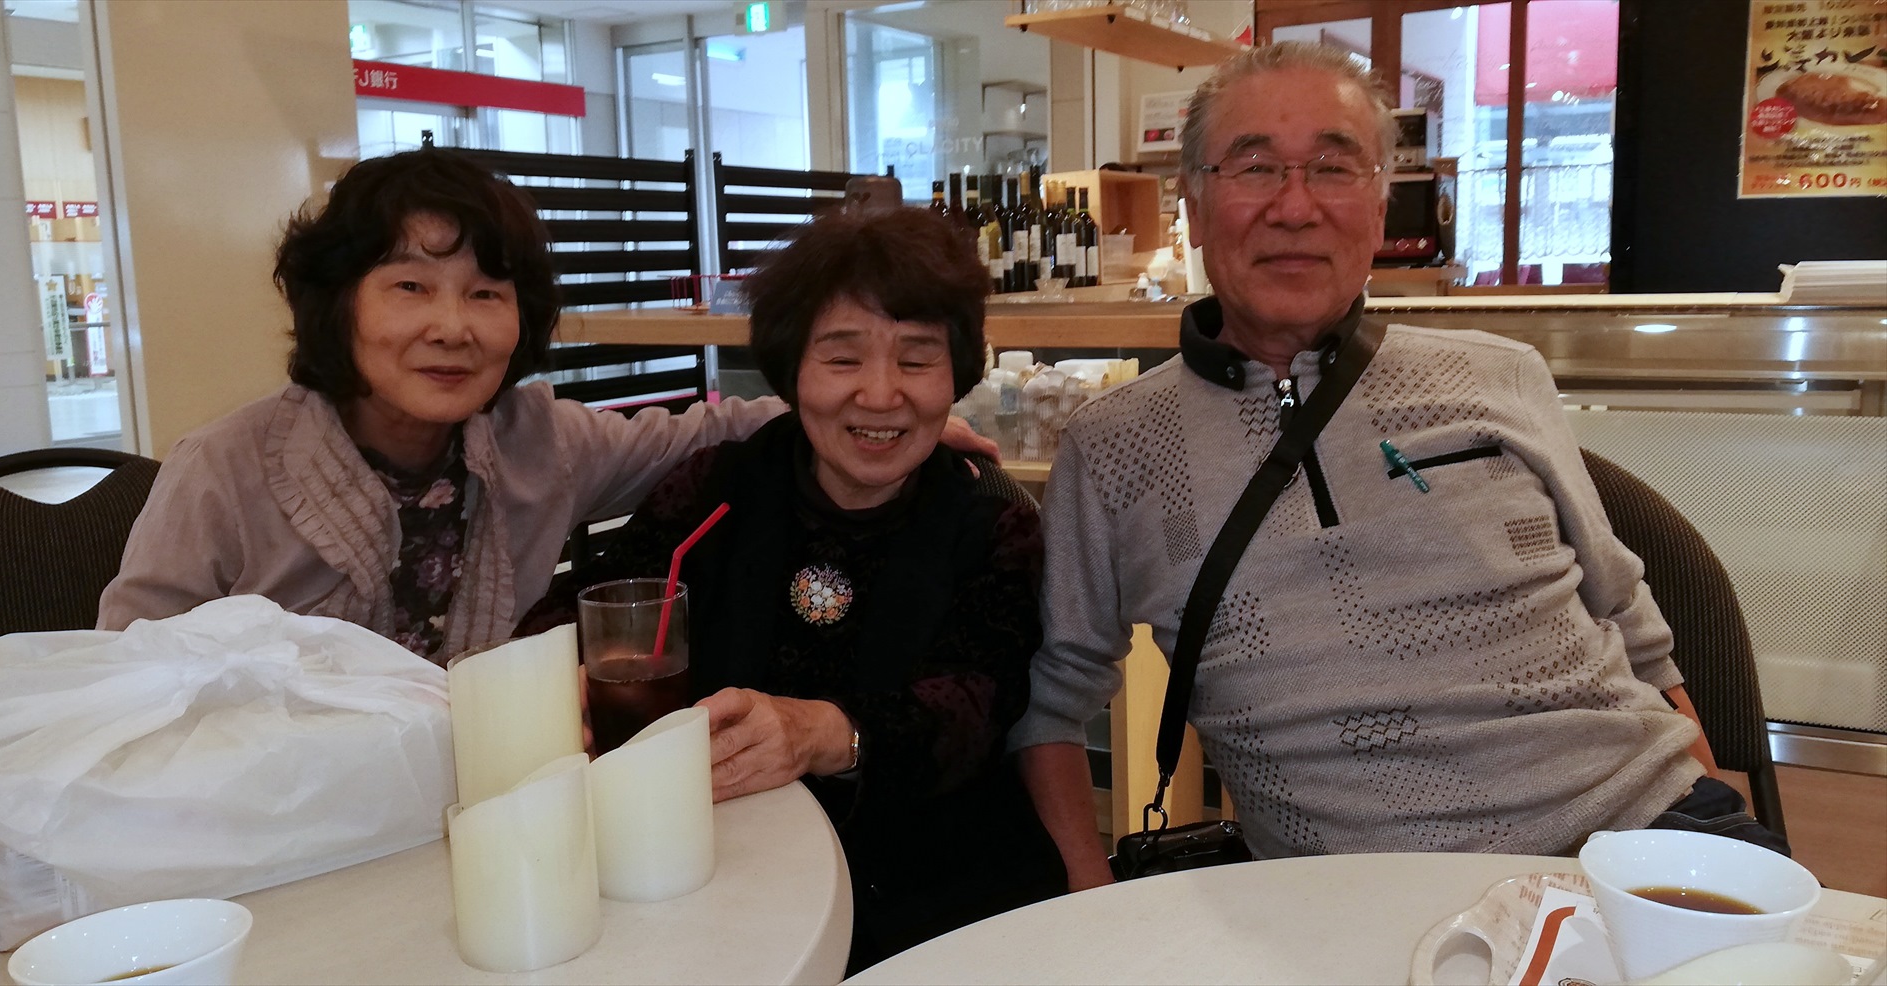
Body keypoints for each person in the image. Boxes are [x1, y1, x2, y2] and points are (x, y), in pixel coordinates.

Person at [1012, 42, 1779, 892]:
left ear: (1378, 207)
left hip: (1631, 831)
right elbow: (1051, 699)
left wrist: (1710, 832)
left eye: (1334, 168)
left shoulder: (1500, 374)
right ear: (1194, 203)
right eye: (1254, 167)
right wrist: (1088, 897)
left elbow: (1626, 615)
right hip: (1346, 893)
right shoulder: (1113, 446)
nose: (1295, 207)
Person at [96, 147, 991, 662]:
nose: (453, 327)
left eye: (487, 294)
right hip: (282, 831)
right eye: (410, 287)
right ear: (338, 304)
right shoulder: (226, 468)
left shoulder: (536, 441)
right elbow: (120, 678)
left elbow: (701, 431)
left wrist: (879, 418)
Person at [519, 208, 1065, 972]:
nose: (881, 394)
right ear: (791, 370)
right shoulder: (716, 491)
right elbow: (583, 610)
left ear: (957, 374)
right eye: (842, 359)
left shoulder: (991, 524)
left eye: (916, 360)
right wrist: (569, 679)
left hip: (931, 906)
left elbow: (972, 710)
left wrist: (822, 732)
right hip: (708, 888)